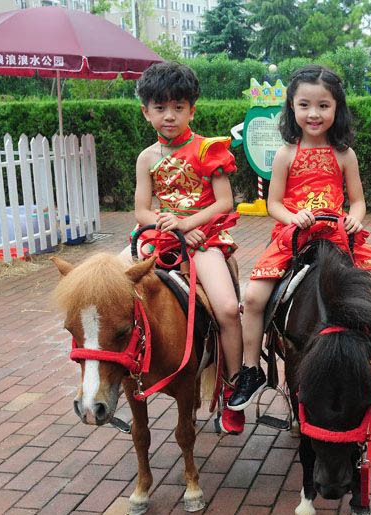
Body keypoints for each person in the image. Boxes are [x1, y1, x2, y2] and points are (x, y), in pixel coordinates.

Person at [228, 64, 371, 410]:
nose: (313, 114)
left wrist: (354, 220)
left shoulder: (344, 154)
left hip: (338, 234)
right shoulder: (286, 154)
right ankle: (251, 369)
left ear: (337, 108)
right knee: (254, 298)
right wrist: (293, 217)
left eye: (323, 105)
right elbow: (273, 204)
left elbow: (358, 201)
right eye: (304, 105)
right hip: (294, 235)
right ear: (292, 107)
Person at [130, 61, 245, 435]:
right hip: (161, 239)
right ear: (146, 112)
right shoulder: (147, 158)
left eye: (178, 107)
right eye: (160, 107)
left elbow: (224, 202)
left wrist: (188, 224)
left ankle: (234, 388)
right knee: (113, 296)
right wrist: (168, 225)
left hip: (204, 240)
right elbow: (142, 210)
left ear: (192, 110)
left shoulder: (209, 149)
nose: (169, 116)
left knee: (227, 309)